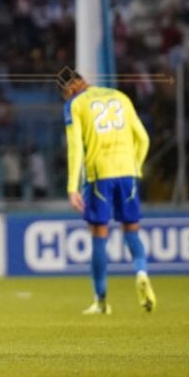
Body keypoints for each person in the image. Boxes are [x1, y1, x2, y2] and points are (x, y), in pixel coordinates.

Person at [62, 73, 156, 315]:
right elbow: (143, 139)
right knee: (131, 231)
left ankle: (101, 300)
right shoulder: (120, 97)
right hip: (128, 174)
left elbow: (75, 150)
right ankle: (142, 272)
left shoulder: (75, 104)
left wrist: (72, 187)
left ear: (71, 89)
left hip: (99, 176)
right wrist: (135, 167)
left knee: (98, 234)